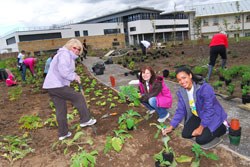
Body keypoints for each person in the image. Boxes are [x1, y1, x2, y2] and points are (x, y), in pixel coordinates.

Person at [43, 38, 96, 140]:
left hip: (52, 87)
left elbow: (64, 70)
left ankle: (63, 133)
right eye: (74, 48)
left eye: (78, 49)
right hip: (57, 85)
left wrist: (75, 75)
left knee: (61, 110)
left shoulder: (66, 55)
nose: (76, 50)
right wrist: (74, 77)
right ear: (70, 46)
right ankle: (85, 119)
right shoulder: (65, 54)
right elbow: (64, 71)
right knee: (78, 97)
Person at [162, 67, 228, 145]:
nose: (182, 81)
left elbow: (209, 110)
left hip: (213, 116)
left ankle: (223, 127)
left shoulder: (204, 88)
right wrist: (171, 126)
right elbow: (180, 110)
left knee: (200, 140)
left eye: (184, 78)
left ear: (190, 75)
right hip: (198, 115)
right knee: (186, 134)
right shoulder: (182, 92)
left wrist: (200, 128)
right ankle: (206, 127)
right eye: (179, 80)